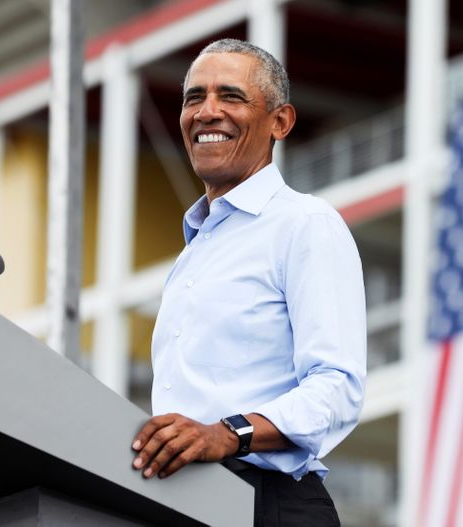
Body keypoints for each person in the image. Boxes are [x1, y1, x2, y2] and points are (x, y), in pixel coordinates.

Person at [129, 39, 366, 526]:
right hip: (184, 505)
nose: (207, 112)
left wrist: (227, 432)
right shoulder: (195, 249)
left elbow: (337, 388)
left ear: (280, 122)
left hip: (269, 504)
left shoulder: (304, 223)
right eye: (194, 98)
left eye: (231, 96)